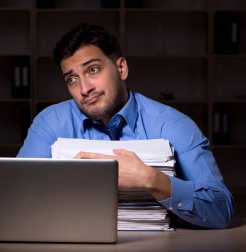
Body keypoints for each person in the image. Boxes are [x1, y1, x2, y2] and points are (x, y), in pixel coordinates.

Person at [17, 23, 234, 229]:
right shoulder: (50, 123)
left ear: (121, 68)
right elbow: (16, 196)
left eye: (92, 70)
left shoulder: (173, 125)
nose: (84, 88)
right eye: (71, 79)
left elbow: (221, 209)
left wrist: (152, 180)